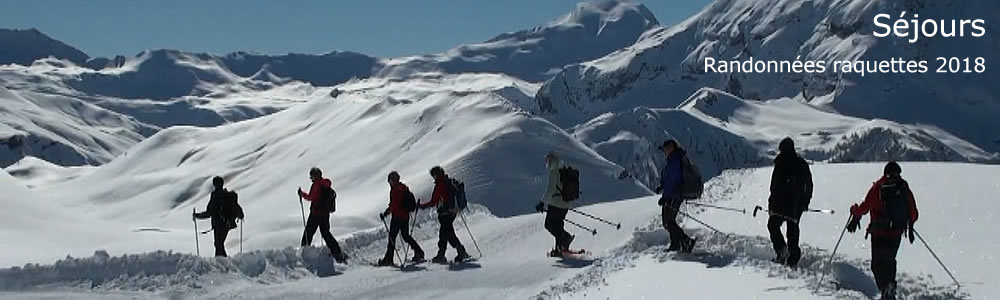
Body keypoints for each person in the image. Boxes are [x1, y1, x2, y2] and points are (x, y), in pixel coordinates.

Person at [848, 161, 918, 300]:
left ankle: (886, 289)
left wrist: (854, 211)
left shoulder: (879, 187)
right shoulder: (903, 188)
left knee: (877, 265)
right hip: (896, 232)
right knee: (890, 261)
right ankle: (890, 288)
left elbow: (865, 207)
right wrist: (909, 225)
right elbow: (914, 212)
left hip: (879, 232)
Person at [767, 137, 813, 267]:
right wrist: (805, 202)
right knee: (792, 230)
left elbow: (774, 187)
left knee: (773, 226)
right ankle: (792, 257)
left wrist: (771, 203)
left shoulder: (781, 163)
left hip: (781, 204)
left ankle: (782, 252)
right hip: (795, 205)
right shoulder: (800, 163)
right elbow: (809, 185)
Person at [418, 166, 470, 264]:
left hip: (444, 213)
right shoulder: (447, 182)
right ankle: (460, 252)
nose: (433, 177)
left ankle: (443, 255)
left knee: (444, 234)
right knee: (449, 234)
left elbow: (433, 201)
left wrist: (422, 206)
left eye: (434, 175)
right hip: (451, 212)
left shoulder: (440, 185)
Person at [298, 167, 347, 263]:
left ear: (315, 176)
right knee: (326, 233)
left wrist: (302, 194)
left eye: (311, 176)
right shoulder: (325, 185)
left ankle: (304, 252)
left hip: (315, 213)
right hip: (325, 214)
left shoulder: (316, 185)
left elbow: (311, 197)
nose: (311, 178)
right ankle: (336, 251)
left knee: (308, 232)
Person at [655, 140, 695, 252]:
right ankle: (676, 244)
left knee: (669, 222)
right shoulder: (673, 159)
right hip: (673, 195)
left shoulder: (674, 160)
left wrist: (665, 197)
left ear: (672, 148)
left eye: (666, 148)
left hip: (673, 195)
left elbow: (672, 180)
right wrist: (662, 186)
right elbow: (668, 179)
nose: (665, 151)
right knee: (668, 222)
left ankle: (686, 242)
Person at [377, 171, 425, 266]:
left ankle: (388, 259)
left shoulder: (395, 190)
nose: (389, 182)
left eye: (390, 180)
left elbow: (394, 205)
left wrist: (386, 213)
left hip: (397, 217)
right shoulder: (403, 188)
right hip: (405, 216)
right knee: (405, 236)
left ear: (393, 180)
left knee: (392, 238)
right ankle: (419, 251)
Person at [535, 151, 575, 257]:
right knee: (558, 225)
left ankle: (565, 238)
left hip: (556, 204)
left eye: (548, 159)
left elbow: (550, 189)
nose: (547, 162)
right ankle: (560, 248)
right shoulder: (562, 170)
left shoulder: (553, 171)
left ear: (551, 160)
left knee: (549, 225)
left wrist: (542, 203)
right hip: (565, 203)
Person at [194, 176, 241, 257]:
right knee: (219, 244)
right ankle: (223, 262)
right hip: (227, 224)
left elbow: (209, 212)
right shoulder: (227, 195)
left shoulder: (215, 195)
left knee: (218, 244)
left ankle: (222, 263)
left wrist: (198, 216)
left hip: (218, 224)